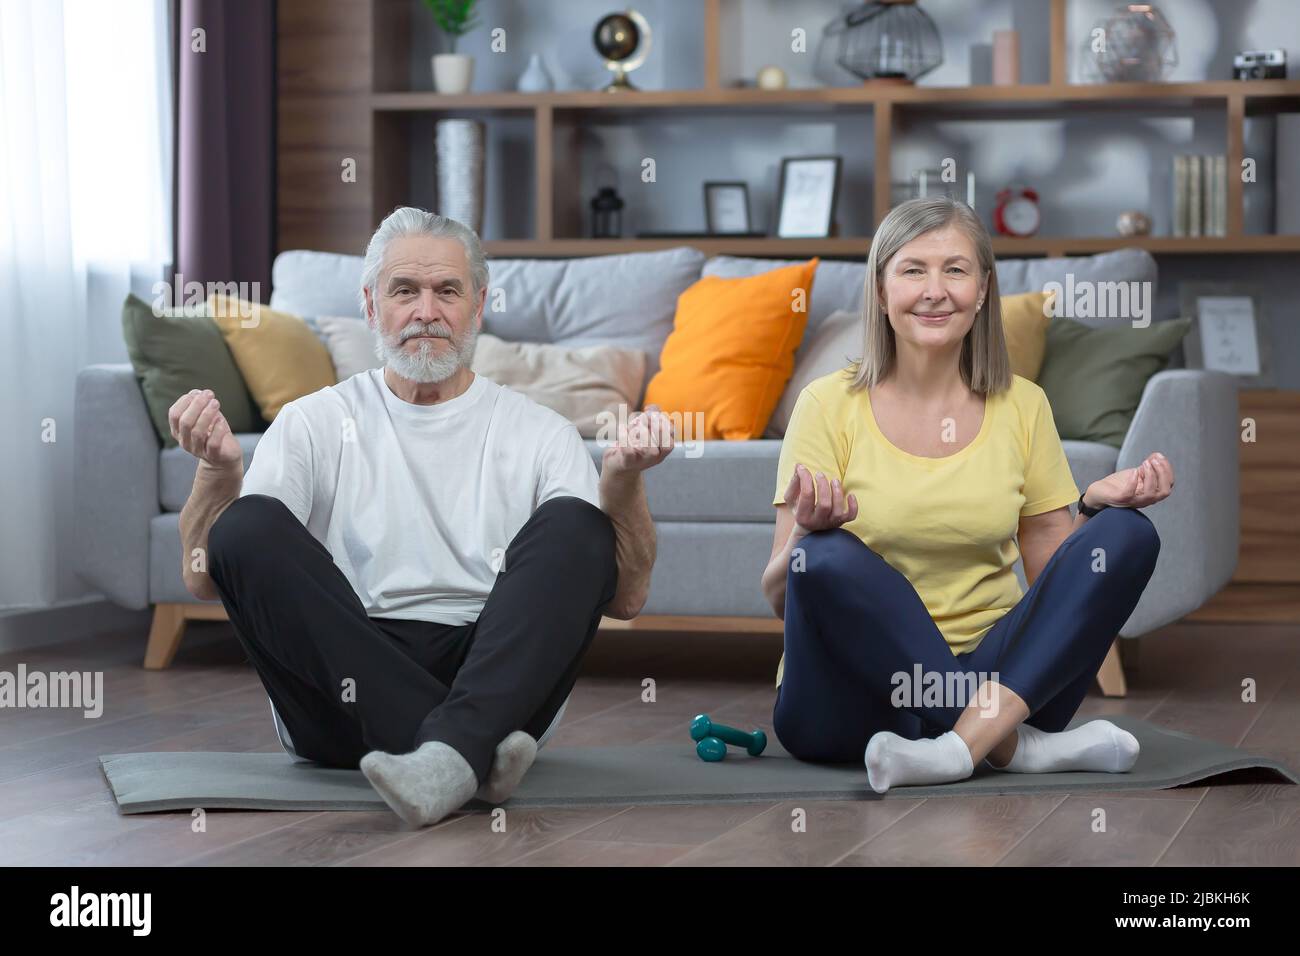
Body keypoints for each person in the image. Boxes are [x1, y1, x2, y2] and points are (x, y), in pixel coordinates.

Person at [171, 207, 673, 826]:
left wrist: (622, 485)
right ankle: (471, 752)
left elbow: (625, 600)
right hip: (342, 700)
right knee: (245, 524)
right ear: (370, 303)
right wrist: (218, 475)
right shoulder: (311, 422)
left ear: (479, 305)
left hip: (493, 671)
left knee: (579, 522)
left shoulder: (541, 432)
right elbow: (204, 579)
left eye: (447, 292)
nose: (426, 312)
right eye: (404, 290)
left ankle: (451, 747)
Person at [761, 196, 1172, 794]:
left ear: (982, 290)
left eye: (955, 270)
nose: (935, 290)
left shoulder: (1024, 405)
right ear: (880, 291)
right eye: (912, 270)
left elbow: (1055, 582)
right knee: (823, 554)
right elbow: (779, 597)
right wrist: (804, 534)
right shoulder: (826, 405)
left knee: (1127, 532)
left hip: (1002, 680)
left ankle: (957, 748)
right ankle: (1007, 747)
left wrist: (1091, 509)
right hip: (849, 706)